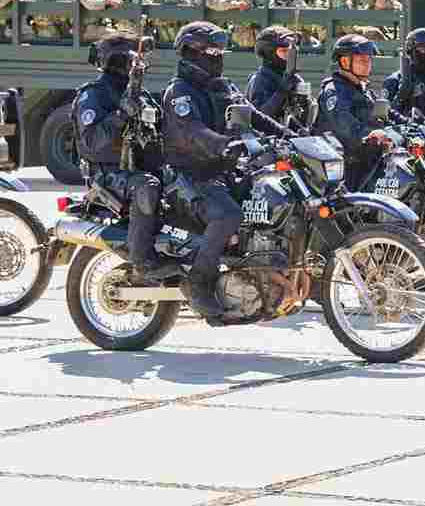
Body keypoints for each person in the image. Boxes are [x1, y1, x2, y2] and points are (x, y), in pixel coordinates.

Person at [161, 22, 290, 318]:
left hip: (223, 170)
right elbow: (192, 130)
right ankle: (199, 283)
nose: (217, 57)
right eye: (211, 51)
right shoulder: (180, 92)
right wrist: (225, 144)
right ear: (191, 53)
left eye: (220, 51)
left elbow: (253, 115)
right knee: (228, 215)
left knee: (272, 196)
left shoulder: (222, 86)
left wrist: (289, 135)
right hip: (190, 174)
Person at [73, 31, 166, 283]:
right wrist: (121, 113)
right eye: (135, 61)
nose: (141, 65)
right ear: (118, 61)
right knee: (146, 187)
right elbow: (93, 142)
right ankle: (141, 261)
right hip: (107, 173)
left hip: (138, 167)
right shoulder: (94, 94)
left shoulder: (141, 94)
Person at [313, 34, 396, 189]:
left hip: (367, 158)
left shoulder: (363, 89)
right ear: (345, 61)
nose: (368, 65)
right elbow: (345, 125)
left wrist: (407, 127)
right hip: (345, 167)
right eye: (362, 60)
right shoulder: (334, 91)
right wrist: (369, 135)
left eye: (369, 60)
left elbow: (387, 113)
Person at [384, 28, 425, 124]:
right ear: (411, 49)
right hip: (407, 133)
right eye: (423, 49)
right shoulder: (395, 80)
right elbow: (385, 115)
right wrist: (401, 95)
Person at [246, 26, 307, 124]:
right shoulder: (260, 80)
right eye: (283, 51)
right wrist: (282, 90)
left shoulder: (293, 78)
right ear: (269, 54)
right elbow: (259, 119)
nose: (289, 56)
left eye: (291, 51)